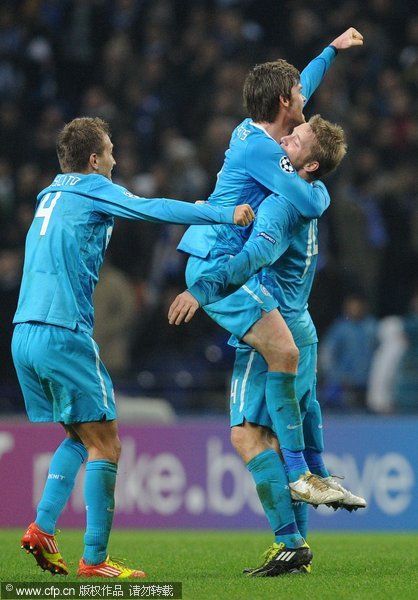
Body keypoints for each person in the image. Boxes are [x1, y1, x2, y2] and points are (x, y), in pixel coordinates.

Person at [12, 116, 255, 579]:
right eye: (110, 151)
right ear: (93, 159)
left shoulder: (51, 195)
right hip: (63, 330)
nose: (116, 160)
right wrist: (224, 213)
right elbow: (155, 208)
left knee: (80, 436)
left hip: (24, 331)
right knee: (108, 443)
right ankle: (95, 560)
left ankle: (42, 528)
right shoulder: (91, 187)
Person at [169, 115, 366, 576]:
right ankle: (299, 526)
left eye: (295, 139)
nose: (285, 137)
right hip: (302, 325)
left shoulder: (281, 204)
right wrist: (329, 53)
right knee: (278, 433)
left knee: (245, 434)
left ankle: (291, 532)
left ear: (311, 163)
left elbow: (257, 254)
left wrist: (204, 289)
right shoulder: (314, 194)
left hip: (271, 326)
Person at [176, 27, 364, 503]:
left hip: (227, 263)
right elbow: (306, 196)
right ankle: (304, 474)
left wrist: (330, 51)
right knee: (285, 360)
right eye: (298, 95)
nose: (305, 95)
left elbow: (303, 83)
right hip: (221, 265)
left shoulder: (266, 127)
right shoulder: (264, 152)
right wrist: (323, 190)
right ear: (284, 103)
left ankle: (307, 486)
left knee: (290, 375)